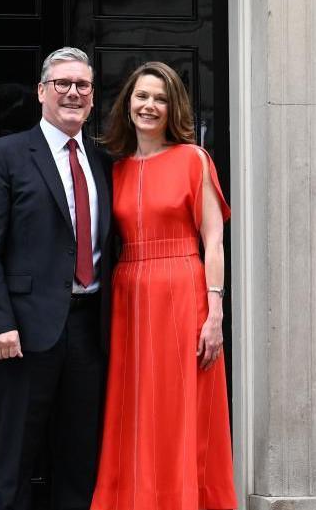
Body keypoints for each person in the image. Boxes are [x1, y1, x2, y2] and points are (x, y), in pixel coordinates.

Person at [0, 47, 113, 510]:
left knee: (79, 460)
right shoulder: (5, 155)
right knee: (15, 461)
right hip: (24, 332)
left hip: (89, 330)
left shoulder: (104, 159)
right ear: (41, 92)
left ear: (92, 97)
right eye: (62, 84)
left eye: (82, 85)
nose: (73, 93)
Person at [90, 62, 236, 510]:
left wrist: (215, 314)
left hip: (182, 289)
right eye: (141, 97)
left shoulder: (194, 159)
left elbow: (213, 241)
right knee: (133, 408)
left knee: (179, 409)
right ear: (127, 104)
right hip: (129, 295)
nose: (149, 106)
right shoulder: (113, 170)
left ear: (173, 107)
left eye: (160, 98)